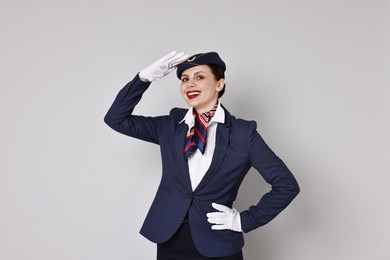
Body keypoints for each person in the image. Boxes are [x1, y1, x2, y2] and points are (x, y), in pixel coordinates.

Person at [104, 51, 300, 259]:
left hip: (218, 241)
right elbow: (116, 119)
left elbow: (286, 185)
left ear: (219, 84)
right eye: (184, 79)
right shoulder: (171, 125)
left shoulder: (243, 133)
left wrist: (244, 220)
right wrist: (144, 78)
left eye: (199, 77)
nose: (190, 84)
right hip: (171, 238)